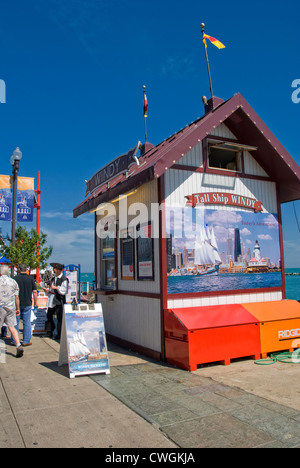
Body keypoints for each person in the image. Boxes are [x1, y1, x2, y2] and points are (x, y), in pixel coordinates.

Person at [0, 265, 24, 358]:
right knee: (12, 327)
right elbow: (16, 297)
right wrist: (17, 308)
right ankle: (18, 345)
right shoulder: (13, 282)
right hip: (11, 307)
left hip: (1, 306)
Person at [14, 263, 38, 346]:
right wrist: (36, 303)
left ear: (19, 269)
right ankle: (26, 340)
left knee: (15, 322)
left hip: (17, 303)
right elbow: (35, 292)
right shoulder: (31, 279)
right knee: (26, 322)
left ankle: (15, 340)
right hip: (27, 302)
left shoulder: (15, 279)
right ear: (26, 269)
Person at [43, 263, 68, 341]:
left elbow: (64, 290)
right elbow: (51, 288)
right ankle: (49, 331)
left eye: (55, 269)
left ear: (58, 270)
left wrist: (56, 287)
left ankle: (59, 333)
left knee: (60, 318)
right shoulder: (53, 279)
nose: (54, 270)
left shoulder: (64, 279)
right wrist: (48, 290)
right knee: (49, 315)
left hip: (59, 300)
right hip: (52, 299)